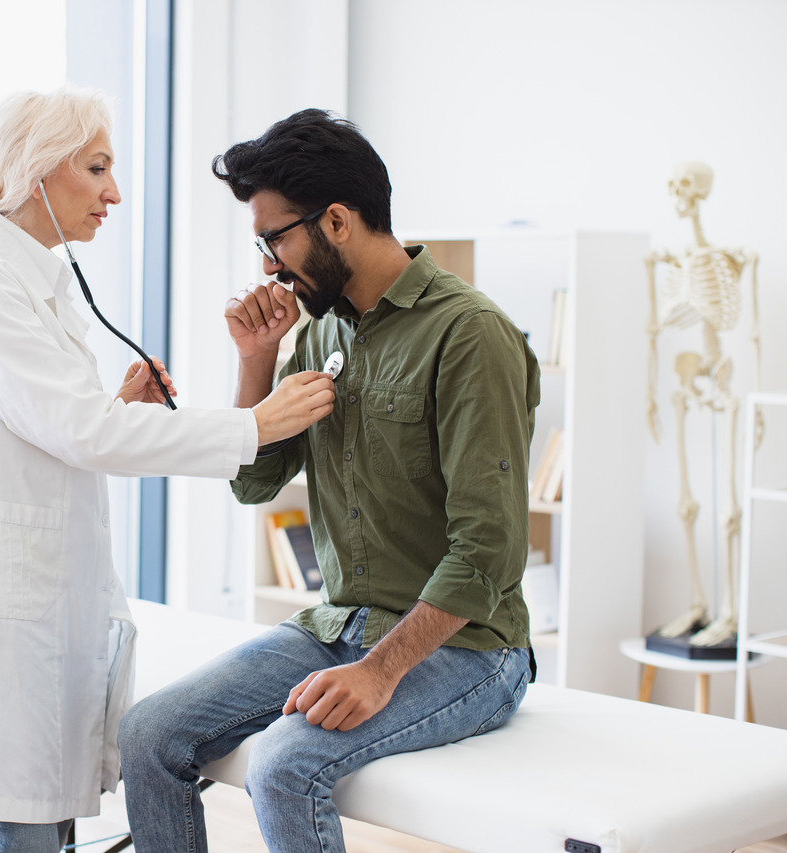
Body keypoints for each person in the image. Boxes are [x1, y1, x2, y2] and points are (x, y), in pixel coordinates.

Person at [0, 88, 335, 853]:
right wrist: (255, 423)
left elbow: (53, 422)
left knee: (42, 823)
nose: (115, 192)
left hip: (43, 592)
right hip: (0, 605)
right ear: (37, 171)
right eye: (97, 167)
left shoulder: (35, 281)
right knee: (19, 829)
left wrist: (114, 403)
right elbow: (82, 431)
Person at [118, 108, 542, 852]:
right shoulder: (320, 332)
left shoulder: (470, 334)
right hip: (337, 625)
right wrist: (256, 358)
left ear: (338, 221)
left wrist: (378, 672)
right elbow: (255, 486)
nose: (268, 265)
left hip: (471, 648)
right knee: (148, 733)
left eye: (275, 238)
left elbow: (489, 550)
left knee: (283, 766)